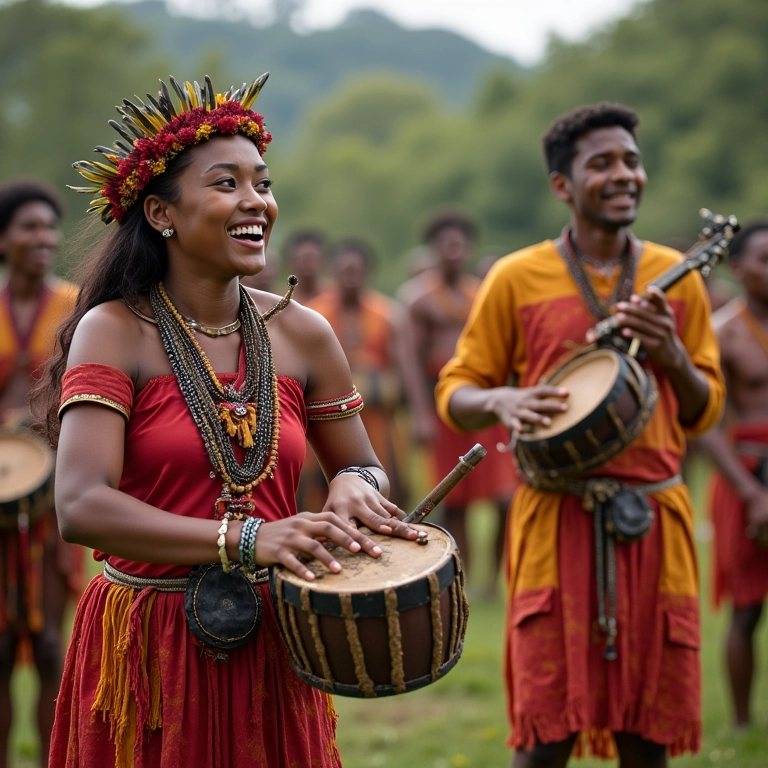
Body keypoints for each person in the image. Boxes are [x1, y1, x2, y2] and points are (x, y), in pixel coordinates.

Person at [33, 72, 418, 768]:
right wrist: (247, 538)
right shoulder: (113, 330)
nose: (257, 203)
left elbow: (361, 461)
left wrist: (357, 484)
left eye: (263, 183)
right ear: (161, 214)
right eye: (227, 184)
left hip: (276, 636)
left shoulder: (303, 332)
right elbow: (81, 505)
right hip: (148, 645)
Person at [434, 104, 724, 766]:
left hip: (654, 517)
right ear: (563, 186)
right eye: (603, 164)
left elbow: (703, 412)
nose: (624, 175)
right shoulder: (514, 277)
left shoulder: (677, 278)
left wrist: (672, 354)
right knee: (545, 732)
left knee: (649, 737)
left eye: (631, 161)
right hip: (554, 518)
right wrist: (502, 398)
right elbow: (456, 392)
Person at [0, 179, 80, 768]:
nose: (44, 238)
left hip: (53, 495)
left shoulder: (77, 306)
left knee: (52, 644)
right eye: (29, 226)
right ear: (4, 240)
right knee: (0, 648)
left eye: (50, 226)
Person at [397, 211, 516, 593]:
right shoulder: (418, 299)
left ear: (468, 249)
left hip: (481, 401)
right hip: (443, 406)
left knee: (504, 498)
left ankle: (492, 580)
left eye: (460, 244)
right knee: (456, 499)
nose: (453, 251)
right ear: (434, 250)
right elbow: (410, 363)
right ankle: (459, 577)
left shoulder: (478, 293)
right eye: (445, 244)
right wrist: (420, 414)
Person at [696, 221, 768, 729]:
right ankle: (743, 722)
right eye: (765, 259)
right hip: (746, 475)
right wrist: (751, 493)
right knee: (746, 608)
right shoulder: (721, 332)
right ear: (737, 268)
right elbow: (705, 427)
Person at [307, 237, 409, 508]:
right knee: (318, 494)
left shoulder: (386, 314)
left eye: (357, 271)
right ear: (333, 272)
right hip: (323, 418)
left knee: (388, 486)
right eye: (345, 271)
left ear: (368, 272)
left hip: (378, 419)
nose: (351, 278)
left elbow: (400, 367)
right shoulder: (314, 314)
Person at [281, 228, 329, 305]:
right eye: (304, 260)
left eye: (312, 259)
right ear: (291, 261)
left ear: (323, 261)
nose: (308, 266)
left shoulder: (333, 298)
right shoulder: (282, 300)